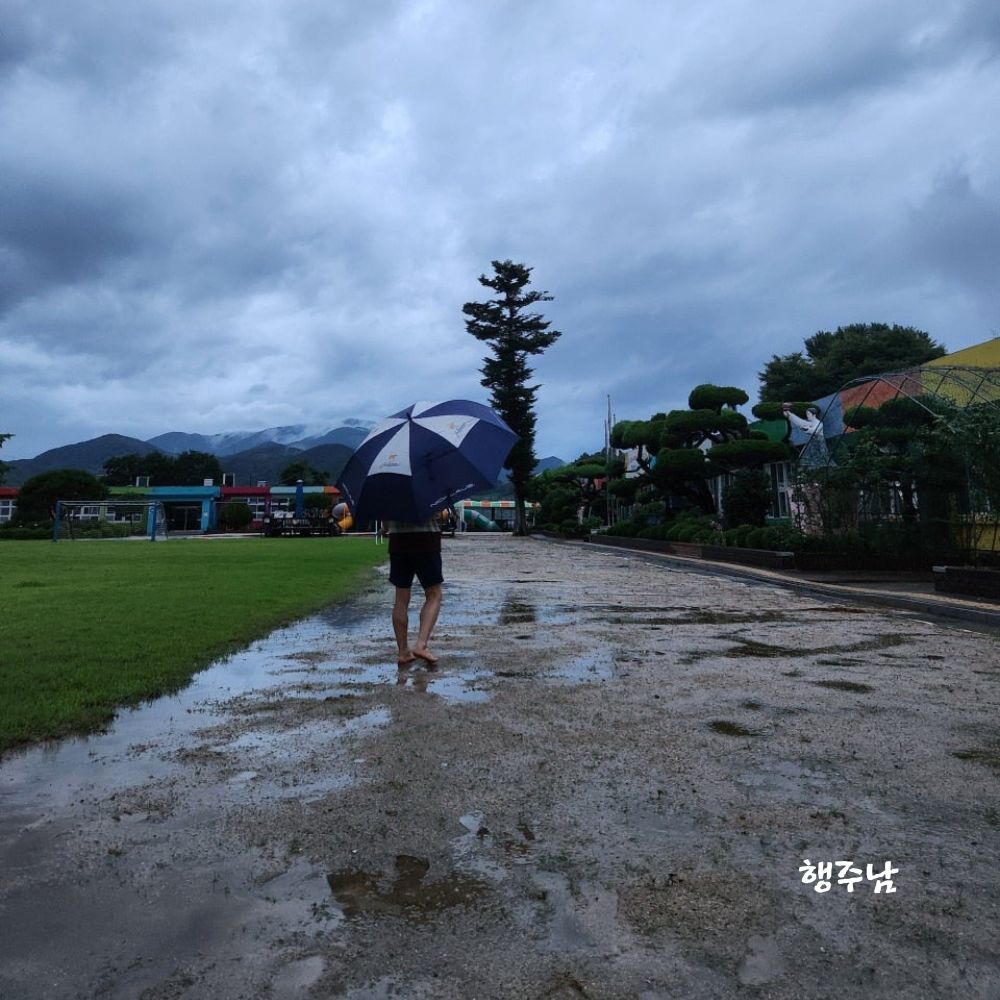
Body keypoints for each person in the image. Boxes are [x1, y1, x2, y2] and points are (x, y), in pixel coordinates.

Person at [384, 516, 443, 667]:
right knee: (434, 595)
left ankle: (403, 652)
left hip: (398, 541)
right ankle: (421, 645)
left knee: (401, 598)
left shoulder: (388, 492)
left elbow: (385, 521)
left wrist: (385, 528)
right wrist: (445, 514)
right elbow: (436, 513)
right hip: (425, 540)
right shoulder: (427, 491)